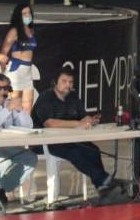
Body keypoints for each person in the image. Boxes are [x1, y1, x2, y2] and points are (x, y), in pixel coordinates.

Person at [32, 68, 118, 198]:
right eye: (64, 81)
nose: (68, 85)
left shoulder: (73, 96)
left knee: (93, 150)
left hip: (69, 139)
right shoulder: (46, 97)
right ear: (55, 82)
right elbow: (50, 123)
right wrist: (78, 123)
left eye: (70, 82)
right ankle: (105, 180)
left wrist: (89, 120)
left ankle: (102, 186)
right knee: (74, 152)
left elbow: (81, 117)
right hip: (46, 142)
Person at [0, 74, 38, 207]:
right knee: (4, 160)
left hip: (7, 146)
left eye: (6, 88)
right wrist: (7, 110)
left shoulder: (9, 103)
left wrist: (20, 110)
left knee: (30, 158)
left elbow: (28, 125)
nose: (3, 91)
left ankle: (0, 188)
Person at [0, 4, 37, 113]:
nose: (27, 15)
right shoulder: (14, 31)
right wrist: (4, 73)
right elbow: (3, 53)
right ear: (19, 16)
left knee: (28, 108)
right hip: (16, 71)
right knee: (13, 106)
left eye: (29, 13)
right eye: (24, 13)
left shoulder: (31, 30)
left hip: (28, 72)